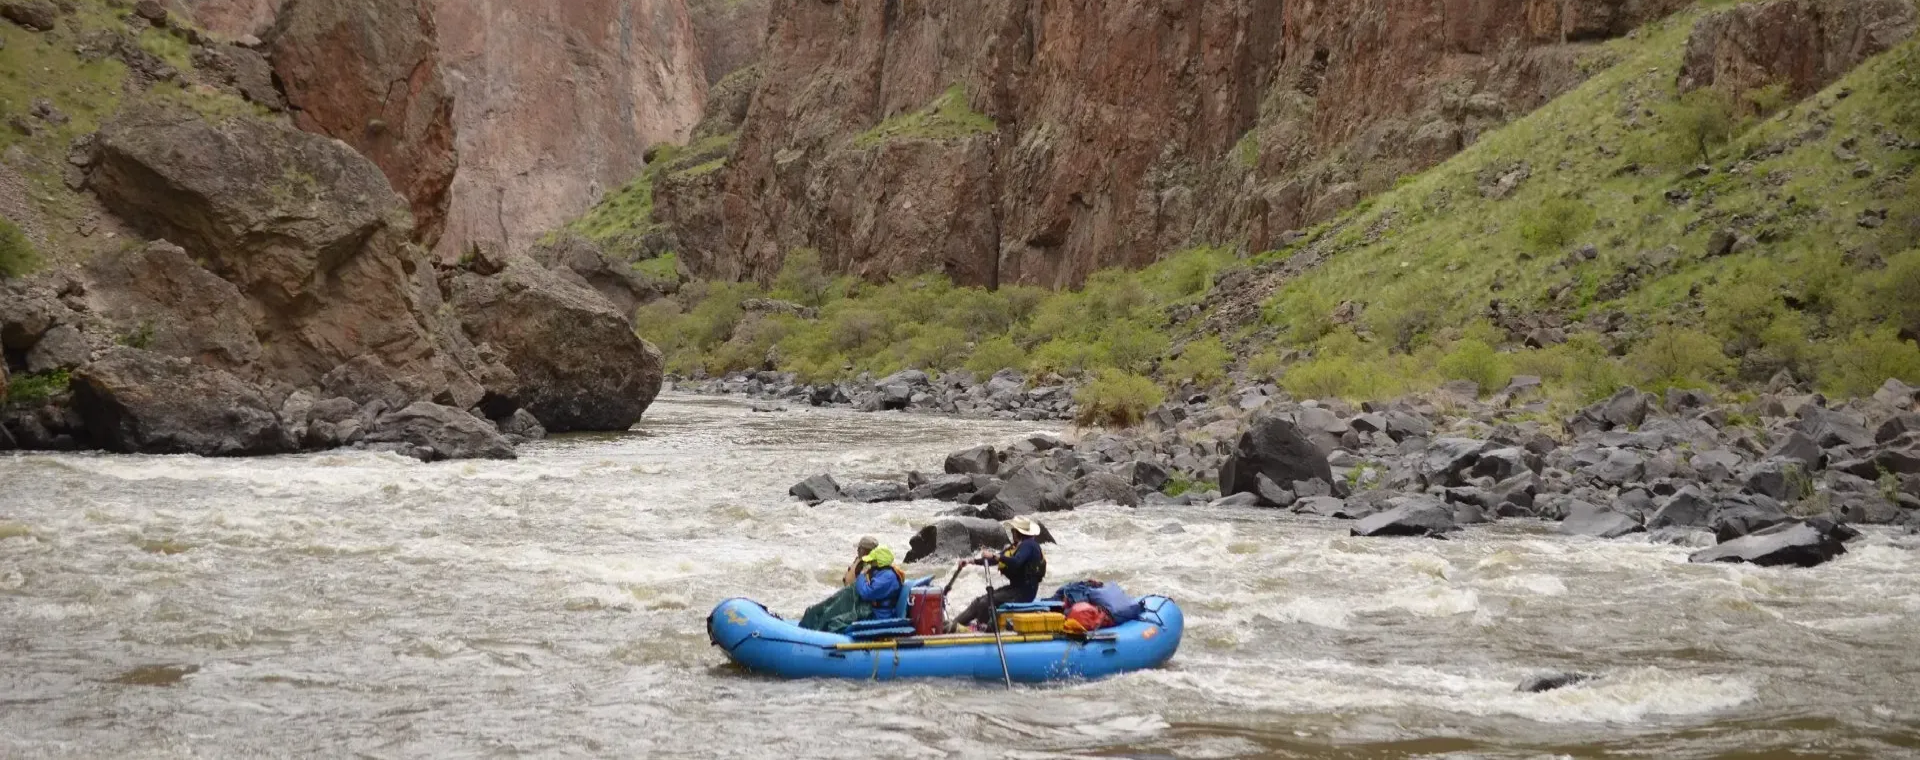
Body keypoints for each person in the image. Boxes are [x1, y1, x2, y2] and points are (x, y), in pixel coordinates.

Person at [951, 516, 1047, 631]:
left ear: (1017, 532)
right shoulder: (1015, 547)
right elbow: (994, 560)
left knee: (985, 603)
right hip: (1014, 589)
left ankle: (982, 628)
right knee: (978, 602)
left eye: (1013, 530)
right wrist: (970, 561)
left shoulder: (1029, 545)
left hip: (1024, 592)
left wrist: (994, 555)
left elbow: (1016, 562)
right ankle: (953, 625)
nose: (1012, 533)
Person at [799, 542, 903, 632]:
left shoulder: (888, 577)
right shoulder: (880, 572)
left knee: (836, 622)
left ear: (880, 562)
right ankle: (816, 617)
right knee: (835, 606)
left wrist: (862, 575)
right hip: (870, 609)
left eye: (873, 561)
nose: (870, 563)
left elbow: (866, 592)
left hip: (877, 615)